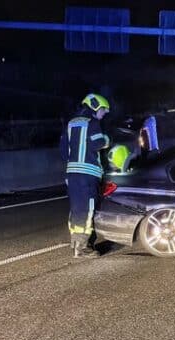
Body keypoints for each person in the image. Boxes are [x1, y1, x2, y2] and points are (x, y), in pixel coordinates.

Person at [60, 93, 111, 258]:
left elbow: (63, 151)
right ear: (95, 106)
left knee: (77, 208)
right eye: (103, 110)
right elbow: (97, 143)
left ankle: (76, 244)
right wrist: (107, 140)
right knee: (87, 209)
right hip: (87, 174)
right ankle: (82, 249)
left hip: (72, 174)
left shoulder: (70, 123)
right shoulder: (92, 123)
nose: (104, 114)